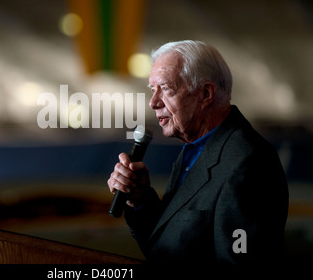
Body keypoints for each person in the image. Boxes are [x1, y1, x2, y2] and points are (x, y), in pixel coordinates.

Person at [108, 40, 289, 265]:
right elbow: (169, 246)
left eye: (165, 88)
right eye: (152, 90)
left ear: (205, 93)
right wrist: (141, 200)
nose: (153, 102)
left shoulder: (248, 164)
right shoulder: (195, 150)